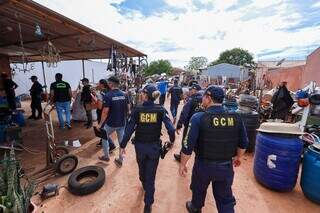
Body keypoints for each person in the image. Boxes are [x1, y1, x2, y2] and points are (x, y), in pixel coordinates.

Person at [179, 85, 248, 213]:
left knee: (198, 190)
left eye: (204, 97)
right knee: (225, 200)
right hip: (225, 166)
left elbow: (187, 145)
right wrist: (238, 157)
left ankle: (195, 207)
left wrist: (183, 164)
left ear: (209, 98)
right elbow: (243, 143)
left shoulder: (198, 118)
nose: (202, 100)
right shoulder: (236, 117)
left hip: (203, 166)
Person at [119, 84, 175, 213]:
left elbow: (128, 130)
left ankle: (143, 181)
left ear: (145, 95)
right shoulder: (161, 110)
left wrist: (122, 145)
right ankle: (148, 204)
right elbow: (171, 128)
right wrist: (171, 141)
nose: (142, 95)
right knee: (151, 176)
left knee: (142, 170)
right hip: (154, 148)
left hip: (140, 147)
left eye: (143, 93)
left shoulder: (137, 110)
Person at [96, 76, 130, 164]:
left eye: (108, 83)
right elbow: (129, 108)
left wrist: (100, 125)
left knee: (104, 137)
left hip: (111, 123)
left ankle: (106, 156)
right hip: (122, 122)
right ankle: (121, 159)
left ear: (111, 84)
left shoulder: (108, 95)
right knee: (121, 142)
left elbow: (105, 112)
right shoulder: (125, 94)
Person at [174, 84, 202, 162]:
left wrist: (179, 124)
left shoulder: (191, 100)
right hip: (203, 125)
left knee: (186, 141)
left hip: (190, 125)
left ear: (195, 90)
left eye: (191, 90)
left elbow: (184, 113)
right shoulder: (205, 100)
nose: (190, 91)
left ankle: (182, 157)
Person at [95, 79, 116, 151]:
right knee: (104, 128)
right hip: (109, 112)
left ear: (102, 84)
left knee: (102, 128)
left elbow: (100, 106)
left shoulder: (101, 93)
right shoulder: (110, 91)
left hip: (102, 112)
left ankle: (111, 145)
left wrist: (95, 102)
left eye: (98, 83)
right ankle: (102, 141)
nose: (97, 85)